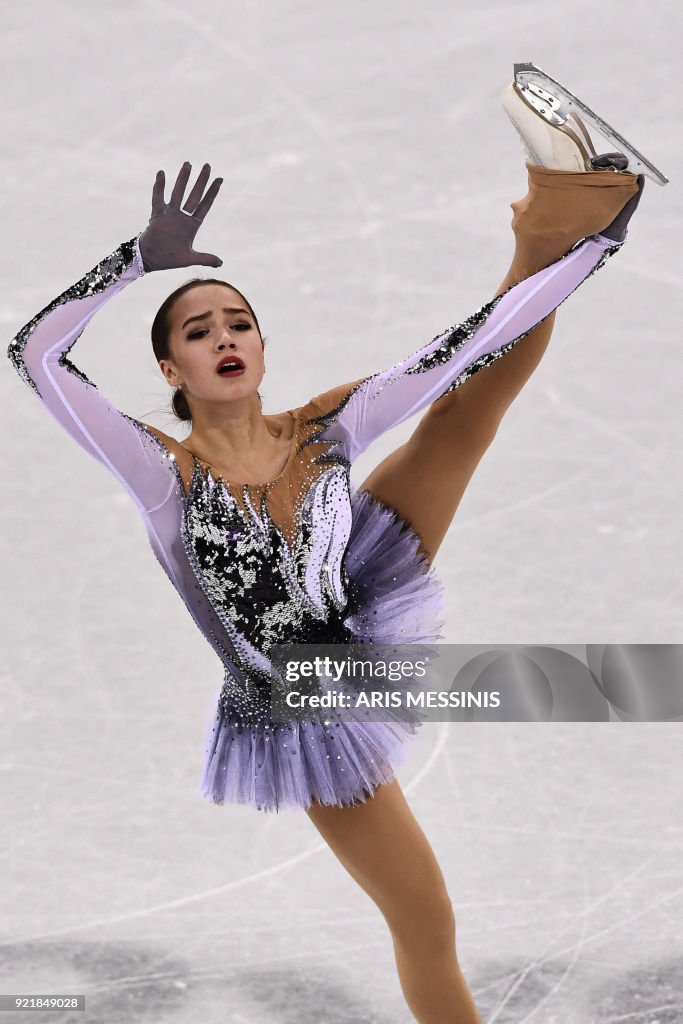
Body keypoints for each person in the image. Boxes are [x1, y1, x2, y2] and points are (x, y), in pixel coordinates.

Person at [8, 65, 653, 1024]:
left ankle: (563, 207)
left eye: (239, 322)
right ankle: (567, 208)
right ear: (170, 367)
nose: (223, 335)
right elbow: (33, 354)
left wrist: (585, 255)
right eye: (197, 328)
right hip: (301, 706)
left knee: (462, 414)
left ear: (261, 349)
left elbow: (469, 343)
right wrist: (136, 264)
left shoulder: (324, 429)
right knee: (425, 919)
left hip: (360, 588)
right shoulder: (159, 474)